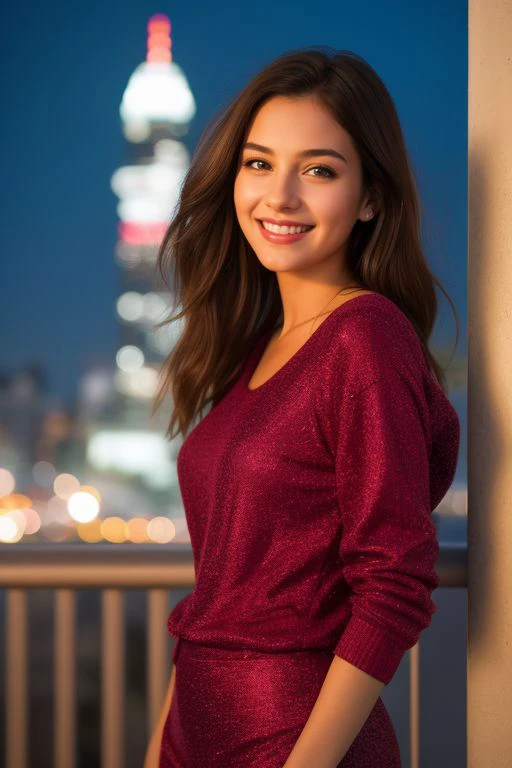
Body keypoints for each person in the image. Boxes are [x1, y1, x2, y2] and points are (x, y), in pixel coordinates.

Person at [145, 47, 461, 768]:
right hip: (193, 732)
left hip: (292, 740)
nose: (279, 196)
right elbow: (218, 596)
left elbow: (396, 584)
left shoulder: (365, 337)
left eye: (318, 170)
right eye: (258, 163)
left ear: (371, 198)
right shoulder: (253, 348)